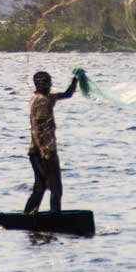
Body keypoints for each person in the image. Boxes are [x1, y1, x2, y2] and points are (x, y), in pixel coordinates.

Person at [24, 70, 79, 214]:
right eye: (46, 82)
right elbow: (38, 129)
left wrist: (75, 82)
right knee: (56, 188)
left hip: (35, 151)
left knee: (40, 187)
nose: (48, 85)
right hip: (44, 152)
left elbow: (66, 94)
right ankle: (55, 219)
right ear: (41, 84)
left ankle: (28, 216)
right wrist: (45, 152)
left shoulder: (43, 97)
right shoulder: (41, 101)